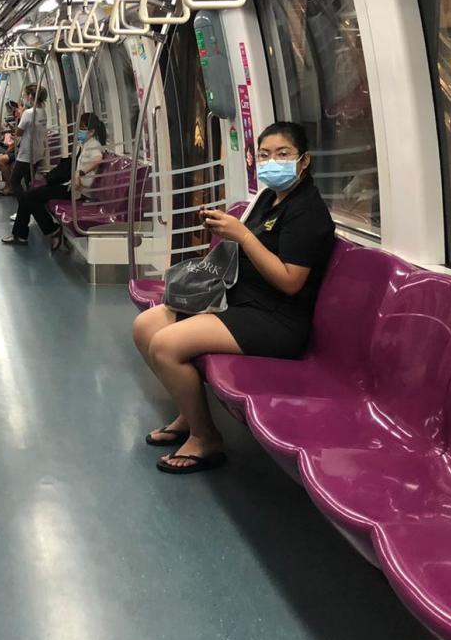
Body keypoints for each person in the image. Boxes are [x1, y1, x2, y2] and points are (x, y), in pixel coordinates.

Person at [131, 122, 336, 474]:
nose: (273, 162)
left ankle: (205, 437)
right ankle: (188, 412)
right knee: (145, 326)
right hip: (242, 301)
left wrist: (242, 234)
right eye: (266, 154)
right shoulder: (269, 198)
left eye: (283, 154)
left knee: (166, 346)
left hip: (277, 320)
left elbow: (290, 282)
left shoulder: (307, 212)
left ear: (304, 161)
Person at [3, 112, 105, 248]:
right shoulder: (85, 143)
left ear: (91, 131)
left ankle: (44, 231)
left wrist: (80, 172)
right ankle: (27, 233)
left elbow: (98, 159)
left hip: (79, 193)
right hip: (72, 188)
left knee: (30, 196)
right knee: (30, 195)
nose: (78, 131)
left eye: (82, 128)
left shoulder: (94, 145)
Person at [11, 84, 48, 199]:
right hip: (38, 151)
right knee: (28, 181)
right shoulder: (43, 112)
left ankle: (24, 207)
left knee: (14, 181)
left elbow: (19, 132)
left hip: (26, 153)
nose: (25, 97)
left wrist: (22, 114)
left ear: (31, 96)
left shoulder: (29, 113)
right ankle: (28, 210)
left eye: (26, 95)